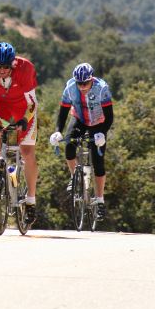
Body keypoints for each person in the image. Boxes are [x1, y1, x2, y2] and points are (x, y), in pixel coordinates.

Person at [0, 42, 39, 224]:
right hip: (0, 106)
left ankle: (31, 200)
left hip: (24, 109)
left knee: (27, 152)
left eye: (5, 67)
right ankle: (1, 168)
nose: (1, 70)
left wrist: (24, 120)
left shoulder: (25, 69)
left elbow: (32, 104)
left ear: (12, 63)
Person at [49, 63, 114, 221]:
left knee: (98, 160)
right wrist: (58, 130)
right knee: (69, 146)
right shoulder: (70, 87)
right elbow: (63, 112)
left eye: (85, 83)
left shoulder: (102, 88)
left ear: (92, 79)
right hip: (79, 118)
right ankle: (75, 177)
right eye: (79, 83)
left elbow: (110, 116)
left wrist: (102, 133)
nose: (82, 86)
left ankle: (99, 201)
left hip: (99, 122)